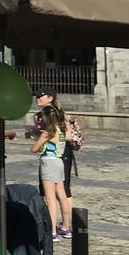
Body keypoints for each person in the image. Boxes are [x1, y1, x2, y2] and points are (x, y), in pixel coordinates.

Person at [30, 89, 75, 237]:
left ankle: (52, 230)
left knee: (50, 197)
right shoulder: (59, 129)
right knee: (62, 194)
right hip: (59, 161)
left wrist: (38, 139)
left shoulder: (47, 132)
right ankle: (67, 227)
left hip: (48, 162)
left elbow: (34, 149)